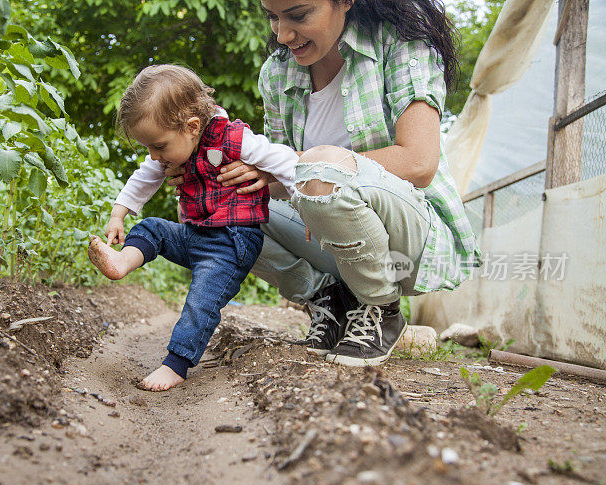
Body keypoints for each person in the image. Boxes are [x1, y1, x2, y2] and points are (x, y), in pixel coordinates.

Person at [189, 0, 480, 367]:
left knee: (320, 165)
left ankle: (380, 308)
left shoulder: (403, 44)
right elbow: (289, 181)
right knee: (213, 198)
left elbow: (419, 162)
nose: (282, 34)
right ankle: (331, 299)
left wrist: (308, 168)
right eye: (273, 17)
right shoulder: (277, 72)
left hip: (404, 235)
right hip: (326, 228)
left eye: (297, 15)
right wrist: (261, 175)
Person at [88, 64, 298, 391]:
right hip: (195, 235)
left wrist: (310, 209)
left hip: (232, 242)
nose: (154, 156)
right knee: (153, 228)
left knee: (202, 300)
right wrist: (119, 213)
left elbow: (287, 163)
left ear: (192, 125)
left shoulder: (235, 139)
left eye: (158, 147)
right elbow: (145, 176)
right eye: (148, 148)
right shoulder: (173, 143)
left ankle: (176, 364)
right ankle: (121, 261)